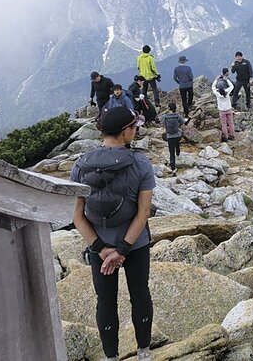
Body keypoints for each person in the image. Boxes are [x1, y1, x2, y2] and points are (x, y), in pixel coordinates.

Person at [70, 106, 155, 361]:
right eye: (134, 127)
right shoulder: (141, 163)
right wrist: (123, 250)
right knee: (139, 293)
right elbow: (143, 214)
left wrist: (102, 250)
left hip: (100, 248)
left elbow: (77, 217)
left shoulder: (81, 165)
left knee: (105, 301)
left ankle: (110, 357)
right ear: (126, 131)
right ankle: (144, 353)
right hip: (135, 245)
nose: (136, 131)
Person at [159, 102, 184, 173]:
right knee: (177, 144)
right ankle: (178, 154)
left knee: (171, 152)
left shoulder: (165, 116)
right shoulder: (178, 116)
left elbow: (159, 121)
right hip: (177, 135)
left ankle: (173, 168)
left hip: (169, 136)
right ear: (175, 108)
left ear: (169, 108)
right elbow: (184, 122)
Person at [212, 68, 235, 142]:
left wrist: (216, 79)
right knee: (230, 122)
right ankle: (232, 135)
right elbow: (232, 86)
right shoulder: (227, 91)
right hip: (229, 109)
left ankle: (225, 136)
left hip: (222, 110)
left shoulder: (217, 94)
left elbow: (213, 87)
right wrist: (227, 79)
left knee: (224, 124)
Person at [173, 55, 194, 120]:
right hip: (189, 85)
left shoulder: (176, 69)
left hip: (181, 86)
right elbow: (191, 77)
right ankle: (190, 104)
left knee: (183, 99)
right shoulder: (188, 68)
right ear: (185, 61)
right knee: (191, 94)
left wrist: (179, 82)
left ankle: (186, 113)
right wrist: (190, 80)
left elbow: (174, 78)